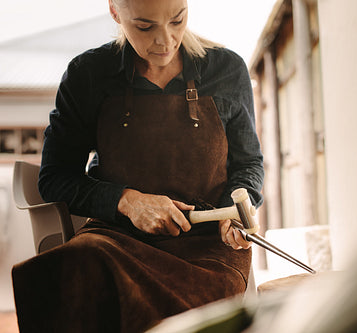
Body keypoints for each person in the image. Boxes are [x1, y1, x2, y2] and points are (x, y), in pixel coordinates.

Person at [12, 0, 264, 332]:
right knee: (69, 267)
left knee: (197, 309)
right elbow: (55, 176)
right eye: (145, 26)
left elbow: (248, 164)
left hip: (205, 249)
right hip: (115, 239)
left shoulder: (226, 69)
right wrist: (128, 201)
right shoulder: (87, 74)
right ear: (115, 13)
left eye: (177, 20)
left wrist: (232, 211)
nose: (165, 42)